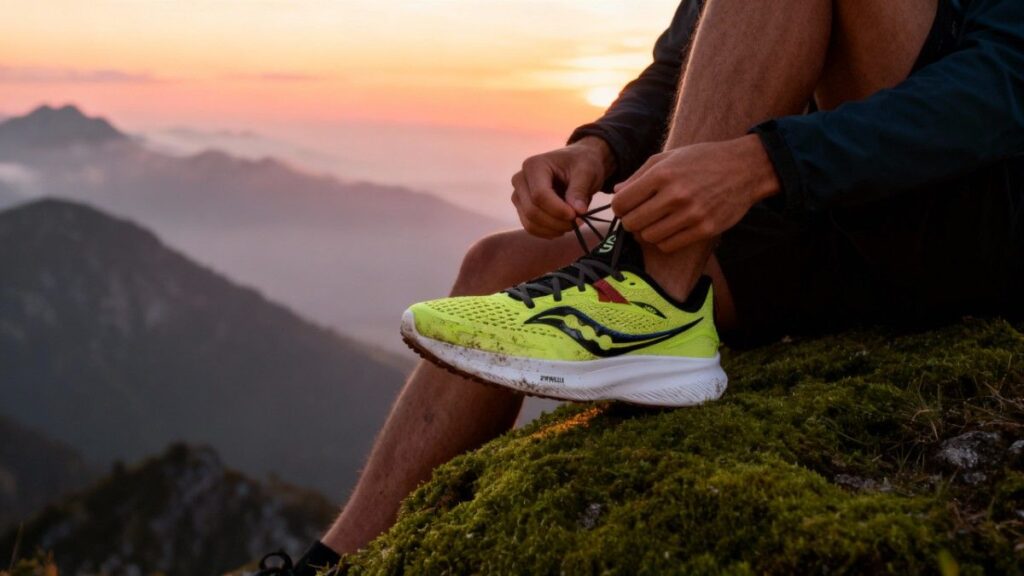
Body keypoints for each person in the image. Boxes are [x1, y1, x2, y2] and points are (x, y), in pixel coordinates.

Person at [257, 0, 1023, 573]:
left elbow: (1003, 82)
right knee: (499, 264)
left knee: (642, 272)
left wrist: (763, 162)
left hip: (968, 210)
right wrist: (597, 148)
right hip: (836, 212)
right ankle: (333, 564)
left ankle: (656, 294)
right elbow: (686, 64)